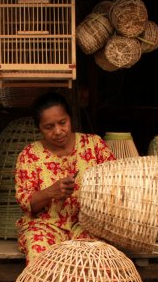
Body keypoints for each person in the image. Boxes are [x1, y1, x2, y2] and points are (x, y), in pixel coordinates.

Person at [14, 92, 115, 264]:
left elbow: (117, 182)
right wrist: (50, 192)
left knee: (98, 259)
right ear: (39, 128)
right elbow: (26, 203)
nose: (58, 131)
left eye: (62, 122)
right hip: (45, 225)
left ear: (70, 118)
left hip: (89, 224)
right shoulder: (30, 155)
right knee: (40, 256)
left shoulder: (94, 145)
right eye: (49, 127)